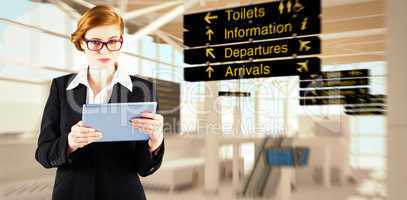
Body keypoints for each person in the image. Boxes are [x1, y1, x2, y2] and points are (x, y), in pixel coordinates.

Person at [34, 5, 164, 200]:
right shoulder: (61, 87)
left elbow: (144, 169)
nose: (104, 50)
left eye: (112, 41)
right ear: (81, 43)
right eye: (95, 42)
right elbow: (44, 154)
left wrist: (156, 141)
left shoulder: (141, 89)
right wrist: (69, 143)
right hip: (71, 194)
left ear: (121, 41)